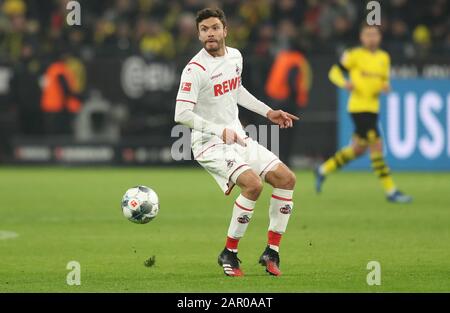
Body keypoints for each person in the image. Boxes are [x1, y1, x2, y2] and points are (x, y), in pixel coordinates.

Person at [174, 8, 299, 277]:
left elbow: (237, 90)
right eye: (204, 29)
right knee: (253, 185)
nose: (210, 33)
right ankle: (229, 252)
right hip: (209, 143)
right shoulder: (194, 69)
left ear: (225, 30)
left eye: (214, 28)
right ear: (198, 35)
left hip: (237, 137)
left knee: (286, 179)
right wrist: (218, 131)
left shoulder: (235, 56)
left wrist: (268, 112)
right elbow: (181, 114)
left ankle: (272, 251)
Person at [315, 24, 412, 203]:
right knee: (376, 144)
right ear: (361, 38)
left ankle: (323, 170)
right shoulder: (354, 55)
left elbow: (383, 80)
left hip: (373, 108)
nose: (371, 38)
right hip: (359, 108)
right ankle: (391, 191)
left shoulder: (384, 57)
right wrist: (344, 83)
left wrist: (384, 86)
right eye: (368, 34)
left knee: (359, 149)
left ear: (380, 37)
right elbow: (334, 71)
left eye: (374, 34)